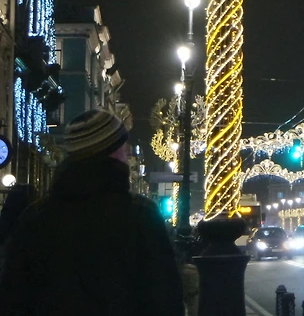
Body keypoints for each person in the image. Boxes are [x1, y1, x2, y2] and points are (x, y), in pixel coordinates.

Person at [0, 108, 184, 316]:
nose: (126, 154)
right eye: (123, 147)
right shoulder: (140, 215)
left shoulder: (35, 218)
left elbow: (13, 297)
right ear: (112, 151)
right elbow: (164, 298)